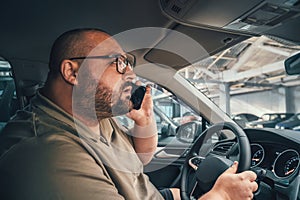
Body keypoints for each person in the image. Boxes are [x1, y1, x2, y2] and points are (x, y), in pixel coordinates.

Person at [0, 28, 258, 200]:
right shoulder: (48, 154)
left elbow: (139, 160)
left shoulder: (94, 118)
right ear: (72, 72)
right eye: (119, 63)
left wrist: (144, 121)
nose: (131, 75)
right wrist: (220, 196)